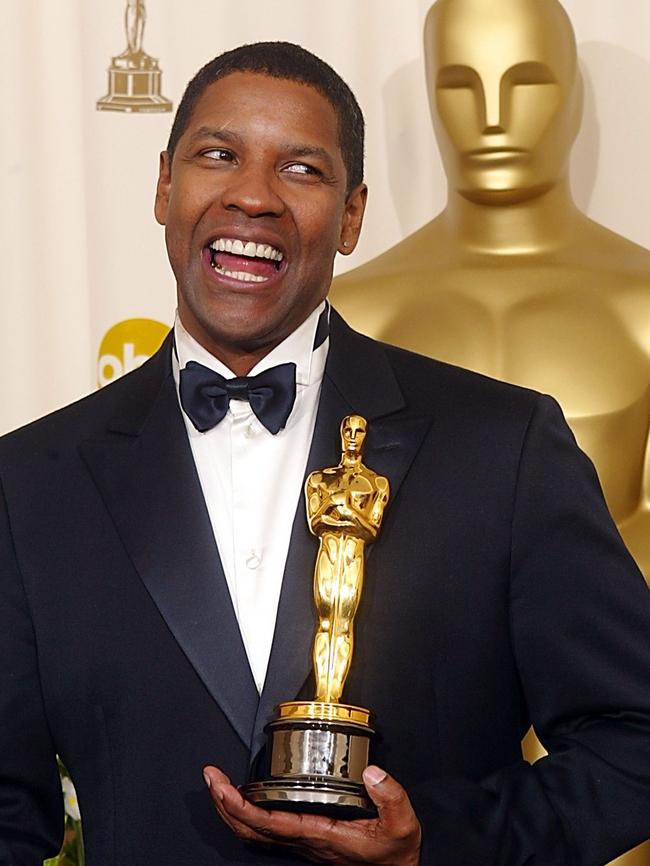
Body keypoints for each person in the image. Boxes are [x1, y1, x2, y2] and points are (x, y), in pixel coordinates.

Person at [0, 41, 648, 866]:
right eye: (218, 155)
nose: (253, 197)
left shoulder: (502, 447)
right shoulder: (31, 485)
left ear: (351, 216)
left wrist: (437, 848)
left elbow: (636, 737)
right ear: (165, 185)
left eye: (301, 170)